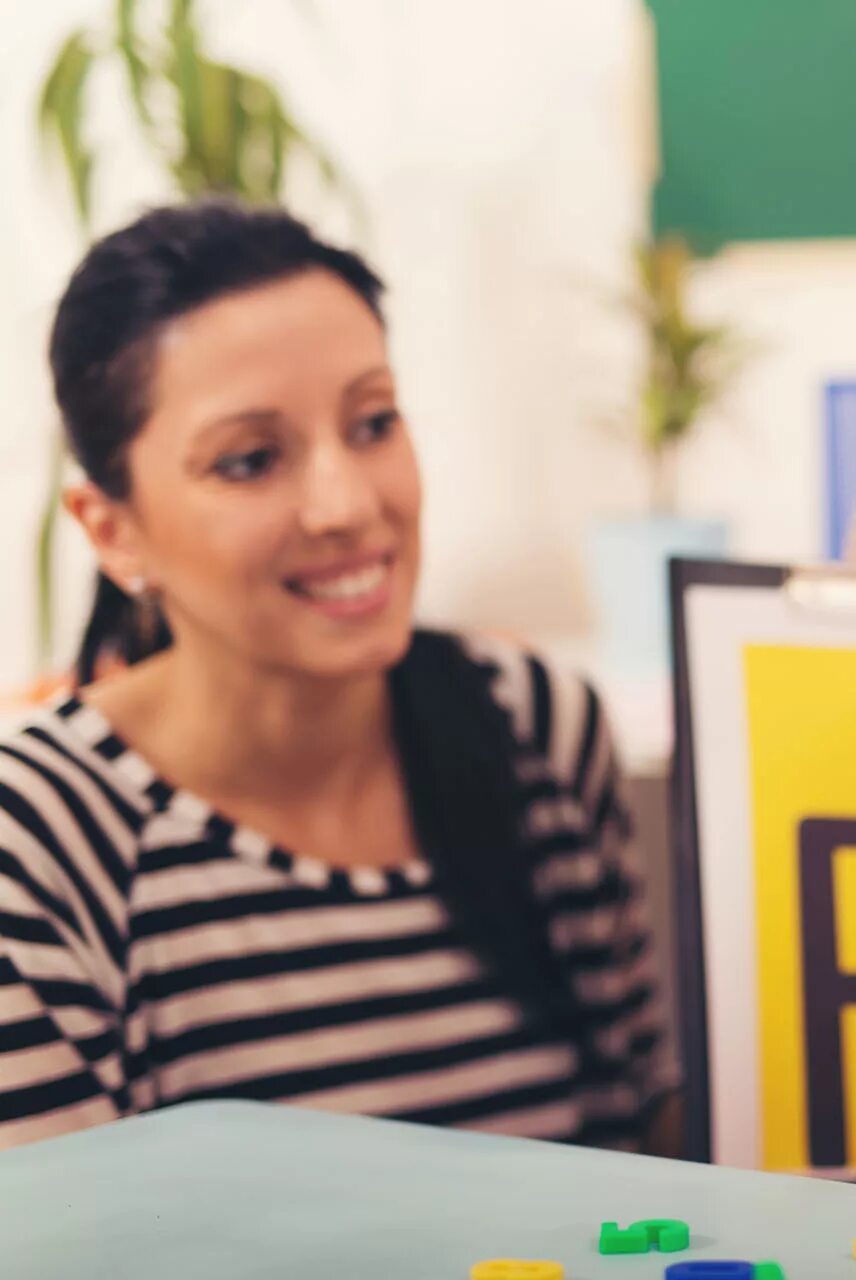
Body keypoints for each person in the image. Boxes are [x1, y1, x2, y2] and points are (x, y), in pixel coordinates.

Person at [0, 201, 668, 1152]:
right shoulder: (41, 842)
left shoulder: (536, 725)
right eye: (250, 460)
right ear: (113, 530)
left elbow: (639, 1148)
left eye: (373, 422)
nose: (348, 505)